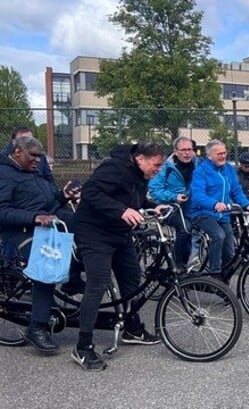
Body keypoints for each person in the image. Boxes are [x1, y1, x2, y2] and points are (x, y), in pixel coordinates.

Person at [71, 142, 168, 371]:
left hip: (118, 232)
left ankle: (132, 328)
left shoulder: (140, 174)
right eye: (156, 165)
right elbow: (90, 193)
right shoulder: (114, 168)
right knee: (98, 283)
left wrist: (152, 206)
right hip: (94, 232)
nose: (159, 169)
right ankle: (83, 347)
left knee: (132, 279)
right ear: (140, 159)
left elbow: (133, 198)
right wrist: (122, 211)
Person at [0, 136, 80, 353]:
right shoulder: (5, 174)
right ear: (17, 152)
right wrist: (35, 217)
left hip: (44, 229)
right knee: (48, 265)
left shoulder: (31, 173)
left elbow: (46, 203)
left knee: (88, 237)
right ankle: (37, 328)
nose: (38, 160)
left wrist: (63, 196)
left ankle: (73, 282)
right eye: (33, 155)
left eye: (40, 156)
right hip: (20, 235)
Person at [189, 140, 249, 277]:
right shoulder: (201, 171)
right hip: (203, 213)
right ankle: (214, 273)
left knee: (230, 250)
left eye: (224, 153)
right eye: (219, 154)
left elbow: (236, 191)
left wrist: (247, 204)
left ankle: (225, 281)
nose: (223, 156)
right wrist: (214, 204)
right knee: (218, 235)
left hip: (223, 215)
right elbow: (198, 195)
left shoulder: (228, 169)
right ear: (209, 155)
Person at [148, 136, 198, 266]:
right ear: (176, 151)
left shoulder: (198, 165)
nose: (187, 153)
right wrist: (173, 197)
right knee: (186, 228)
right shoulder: (166, 167)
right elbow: (154, 189)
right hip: (170, 208)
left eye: (190, 149)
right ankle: (177, 265)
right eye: (183, 150)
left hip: (191, 207)